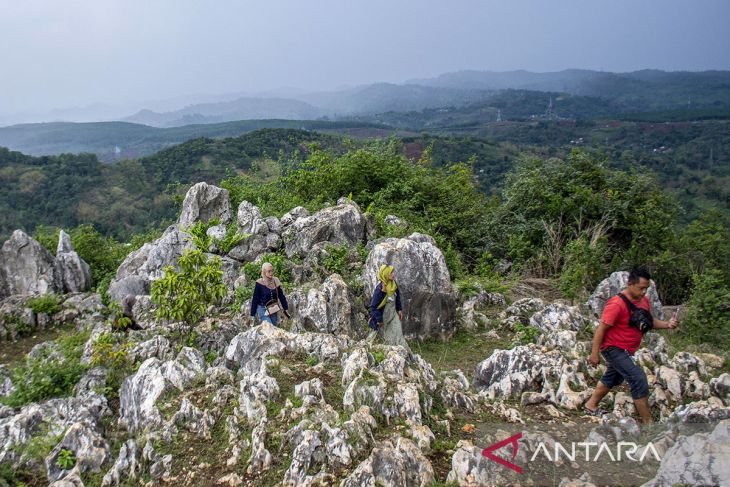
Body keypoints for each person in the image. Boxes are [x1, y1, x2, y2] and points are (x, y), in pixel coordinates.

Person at [584, 267, 678, 424]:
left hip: (628, 350)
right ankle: (648, 423)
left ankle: (590, 405)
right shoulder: (616, 304)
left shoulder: (644, 302)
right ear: (630, 284)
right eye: (641, 288)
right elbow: (601, 328)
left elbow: (649, 321)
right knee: (638, 378)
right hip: (613, 348)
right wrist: (594, 354)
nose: (643, 292)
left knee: (612, 378)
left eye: (646, 289)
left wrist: (668, 324)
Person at [368, 264, 410, 350]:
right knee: (382, 337)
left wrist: (399, 309)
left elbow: (397, 297)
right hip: (383, 317)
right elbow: (373, 307)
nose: (393, 274)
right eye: (391, 273)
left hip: (393, 314)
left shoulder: (394, 284)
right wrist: (379, 320)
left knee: (398, 333)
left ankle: (405, 353)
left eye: (393, 272)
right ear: (386, 274)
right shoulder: (379, 289)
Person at [249, 262, 289, 326]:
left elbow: (281, 296)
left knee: (274, 327)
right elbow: (255, 299)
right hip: (262, 309)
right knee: (269, 326)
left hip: (272, 308)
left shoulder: (276, 281)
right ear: (264, 272)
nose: (271, 273)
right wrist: (252, 315)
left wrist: (285, 308)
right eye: (269, 271)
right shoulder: (259, 283)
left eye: (272, 271)